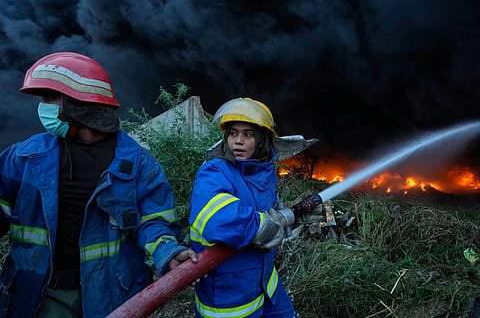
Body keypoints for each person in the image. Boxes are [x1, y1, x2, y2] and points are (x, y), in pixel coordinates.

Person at [0, 52, 197, 317]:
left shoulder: (137, 163)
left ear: (79, 103)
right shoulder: (24, 157)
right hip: (39, 296)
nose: (43, 107)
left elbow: (153, 221)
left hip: (112, 296)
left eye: (50, 98)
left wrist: (169, 252)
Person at [189, 97, 297, 318]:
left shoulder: (264, 173)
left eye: (248, 135)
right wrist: (261, 226)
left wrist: (296, 216)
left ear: (261, 140)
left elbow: (271, 215)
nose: (238, 141)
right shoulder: (214, 172)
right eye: (233, 133)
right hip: (229, 296)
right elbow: (217, 218)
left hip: (265, 283)